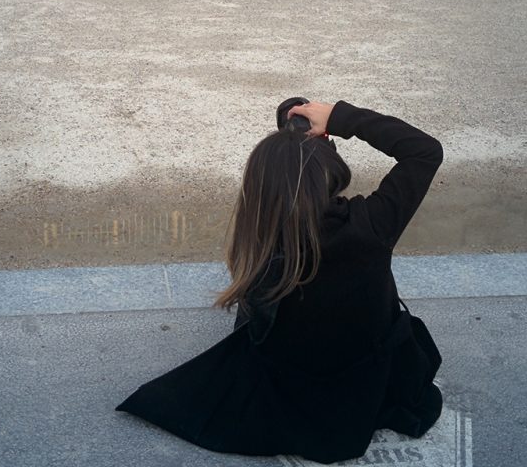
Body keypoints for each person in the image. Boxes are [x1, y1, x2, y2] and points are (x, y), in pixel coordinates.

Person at [117, 98, 444, 464]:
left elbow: (284, 170)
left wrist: (291, 131)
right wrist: (340, 118)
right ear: (330, 169)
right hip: (363, 383)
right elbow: (424, 151)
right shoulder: (371, 226)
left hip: (288, 380)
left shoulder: (262, 234)